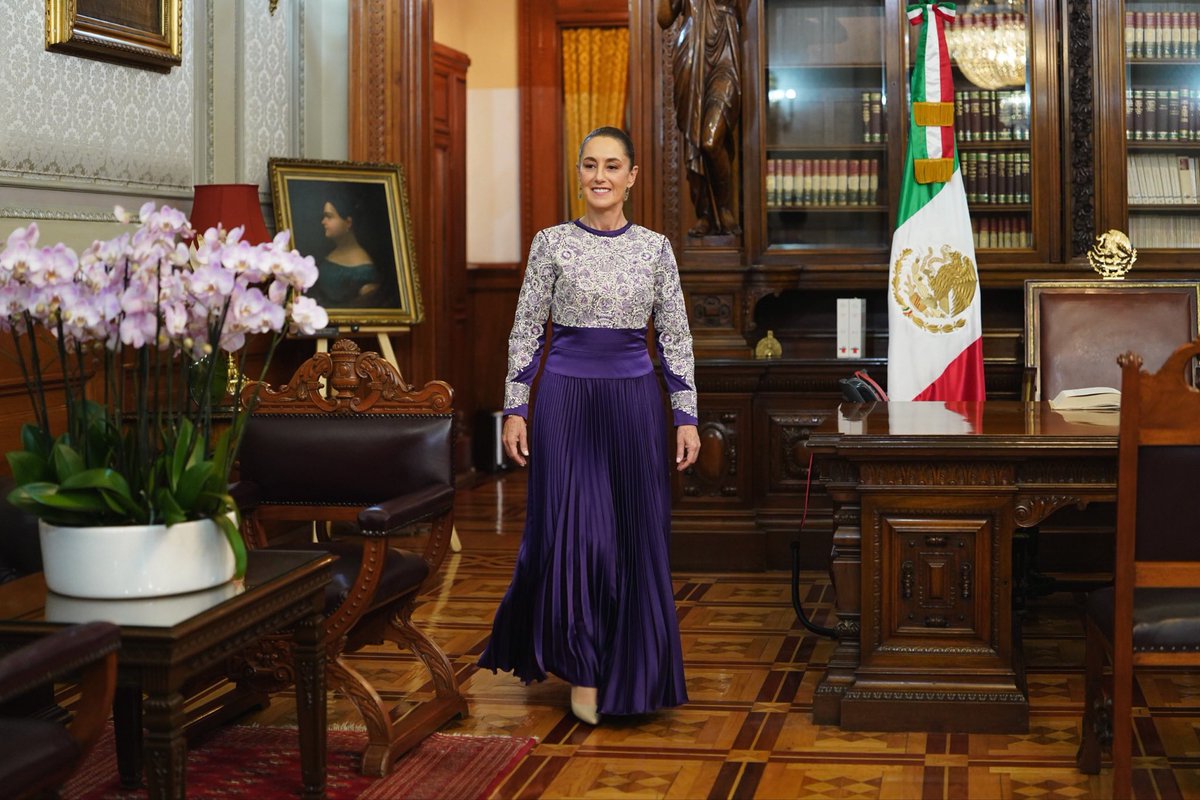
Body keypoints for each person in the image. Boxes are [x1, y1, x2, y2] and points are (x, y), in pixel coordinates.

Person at [477, 126, 701, 725]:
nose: (599, 175)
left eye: (612, 165)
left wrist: (685, 415)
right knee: (579, 535)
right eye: (589, 165)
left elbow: (676, 337)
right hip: (566, 403)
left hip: (633, 402)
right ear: (579, 174)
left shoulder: (656, 249)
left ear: (631, 177)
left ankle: (633, 670)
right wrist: (517, 408)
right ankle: (583, 669)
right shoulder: (550, 244)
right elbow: (525, 330)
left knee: (633, 535)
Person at [657, 0, 743, 237]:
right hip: (691, 52)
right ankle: (705, 214)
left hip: (726, 51)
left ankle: (725, 208)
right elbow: (664, 19)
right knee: (694, 138)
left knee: (711, 140)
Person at [307, 187, 393, 309]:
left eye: (329, 216)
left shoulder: (364, 272)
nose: (323, 221)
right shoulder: (329, 253)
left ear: (348, 222)